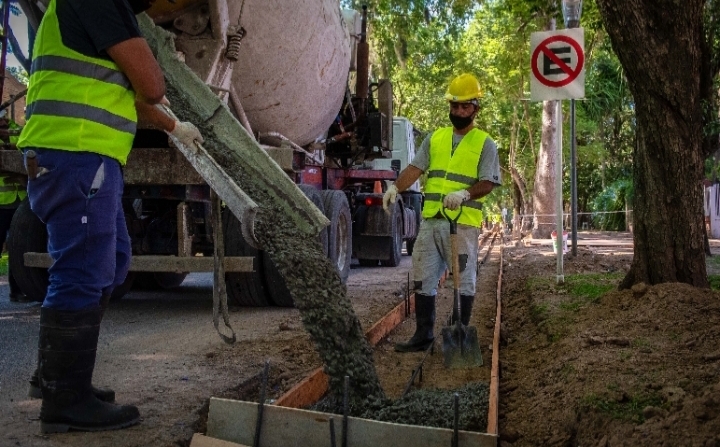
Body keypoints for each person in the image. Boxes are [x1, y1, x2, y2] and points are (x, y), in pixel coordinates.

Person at [16, 0, 203, 433]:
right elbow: (151, 86)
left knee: (112, 263)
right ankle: (65, 400)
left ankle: (56, 377)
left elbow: (125, 96)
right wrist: (154, 71)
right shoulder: (99, 1)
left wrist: (174, 128)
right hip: (77, 156)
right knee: (82, 270)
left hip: (76, 159)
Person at [382, 73, 501, 352]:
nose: (459, 111)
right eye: (455, 106)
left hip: (462, 224)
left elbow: (489, 181)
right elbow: (415, 168)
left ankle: (458, 339)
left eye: (464, 107)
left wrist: (464, 194)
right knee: (423, 278)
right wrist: (395, 188)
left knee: (465, 280)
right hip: (431, 221)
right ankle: (423, 335)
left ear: (475, 108)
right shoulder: (435, 138)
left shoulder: (485, 143)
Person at [0, 114, 27, 301]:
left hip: (20, 200)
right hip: (1, 202)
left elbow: (25, 151)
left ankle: (16, 291)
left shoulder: (17, 129)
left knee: (17, 249)